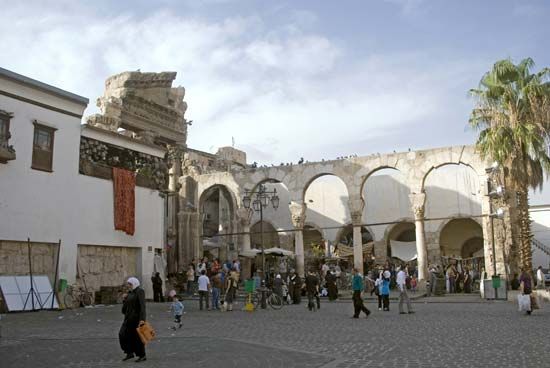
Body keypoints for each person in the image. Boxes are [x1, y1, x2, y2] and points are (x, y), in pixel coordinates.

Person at [119, 277, 147, 362]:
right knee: (123, 334)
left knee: (137, 338)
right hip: (128, 318)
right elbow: (124, 309)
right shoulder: (129, 293)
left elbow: (142, 306)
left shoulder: (140, 291)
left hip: (136, 319)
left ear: (135, 283)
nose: (128, 286)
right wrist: (124, 299)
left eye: (130, 284)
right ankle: (129, 352)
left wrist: (142, 319)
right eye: (128, 284)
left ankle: (142, 355)